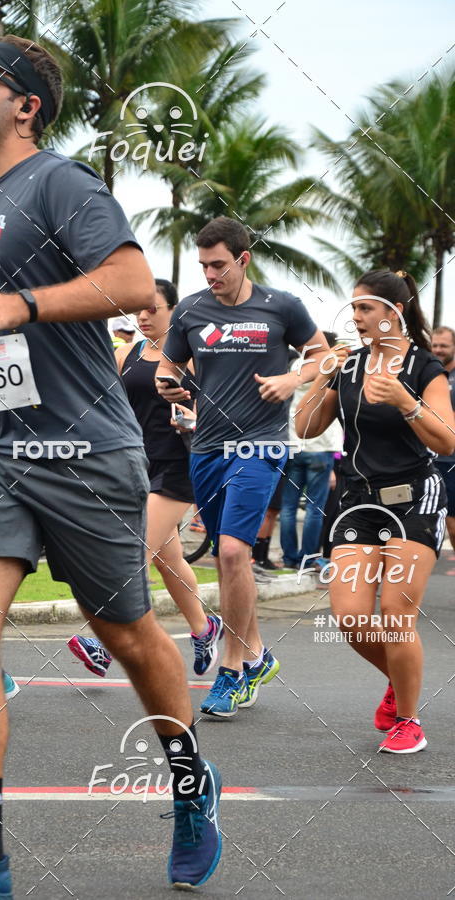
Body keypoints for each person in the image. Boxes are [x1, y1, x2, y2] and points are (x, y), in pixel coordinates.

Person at [0, 32, 222, 899]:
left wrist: (23, 304)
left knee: (125, 634)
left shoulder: (63, 182)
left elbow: (132, 283)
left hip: (86, 455)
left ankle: (191, 785)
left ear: (25, 104)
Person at [156, 215, 328, 718]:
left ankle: (230, 672)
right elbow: (169, 364)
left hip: (260, 445)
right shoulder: (190, 310)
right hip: (206, 448)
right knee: (230, 563)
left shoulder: (281, 306)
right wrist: (170, 386)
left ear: (243, 259)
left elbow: (326, 355)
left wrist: (292, 379)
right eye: (204, 265)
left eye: (219, 265)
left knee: (232, 553)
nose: (211, 274)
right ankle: (257, 655)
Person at [295, 270, 455, 753]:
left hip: (414, 500)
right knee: (350, 618)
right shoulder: (347, 365)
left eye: (365, 308)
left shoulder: (425, 369)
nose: (356, 317)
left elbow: (447, 440)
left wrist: (406, 401)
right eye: (354, 308)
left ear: (394, 312)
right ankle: (400, 679)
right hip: (357, 504)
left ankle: (409, 719)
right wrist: (322, 378)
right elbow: (304, 429)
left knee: (395, 614)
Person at [68, 279, 223, 678]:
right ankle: (204, 628)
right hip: (136, 466)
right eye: (138, 309)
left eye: (152, 308)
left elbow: (222, 413)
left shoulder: (194, 358)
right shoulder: (128, 354)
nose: (143, 316)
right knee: (169, 560)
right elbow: (106, 406)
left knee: (134, 552)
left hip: (179, 467)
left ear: (174, 311)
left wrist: (194, 419)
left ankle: (103, 642)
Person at [280, 330, 344, 570]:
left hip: (294, 443)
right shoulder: (329, 368)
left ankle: (289, 558)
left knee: (288, 506)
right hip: (321, 444)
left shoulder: (296, 365)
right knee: (315, 508)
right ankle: (309, 558)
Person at [431, 326, 455, 551]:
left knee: (453, 526)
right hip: (426, 462)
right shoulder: (426, 374)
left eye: (444, 346)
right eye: (435, 345)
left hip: (452, 462)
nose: (438, 350)